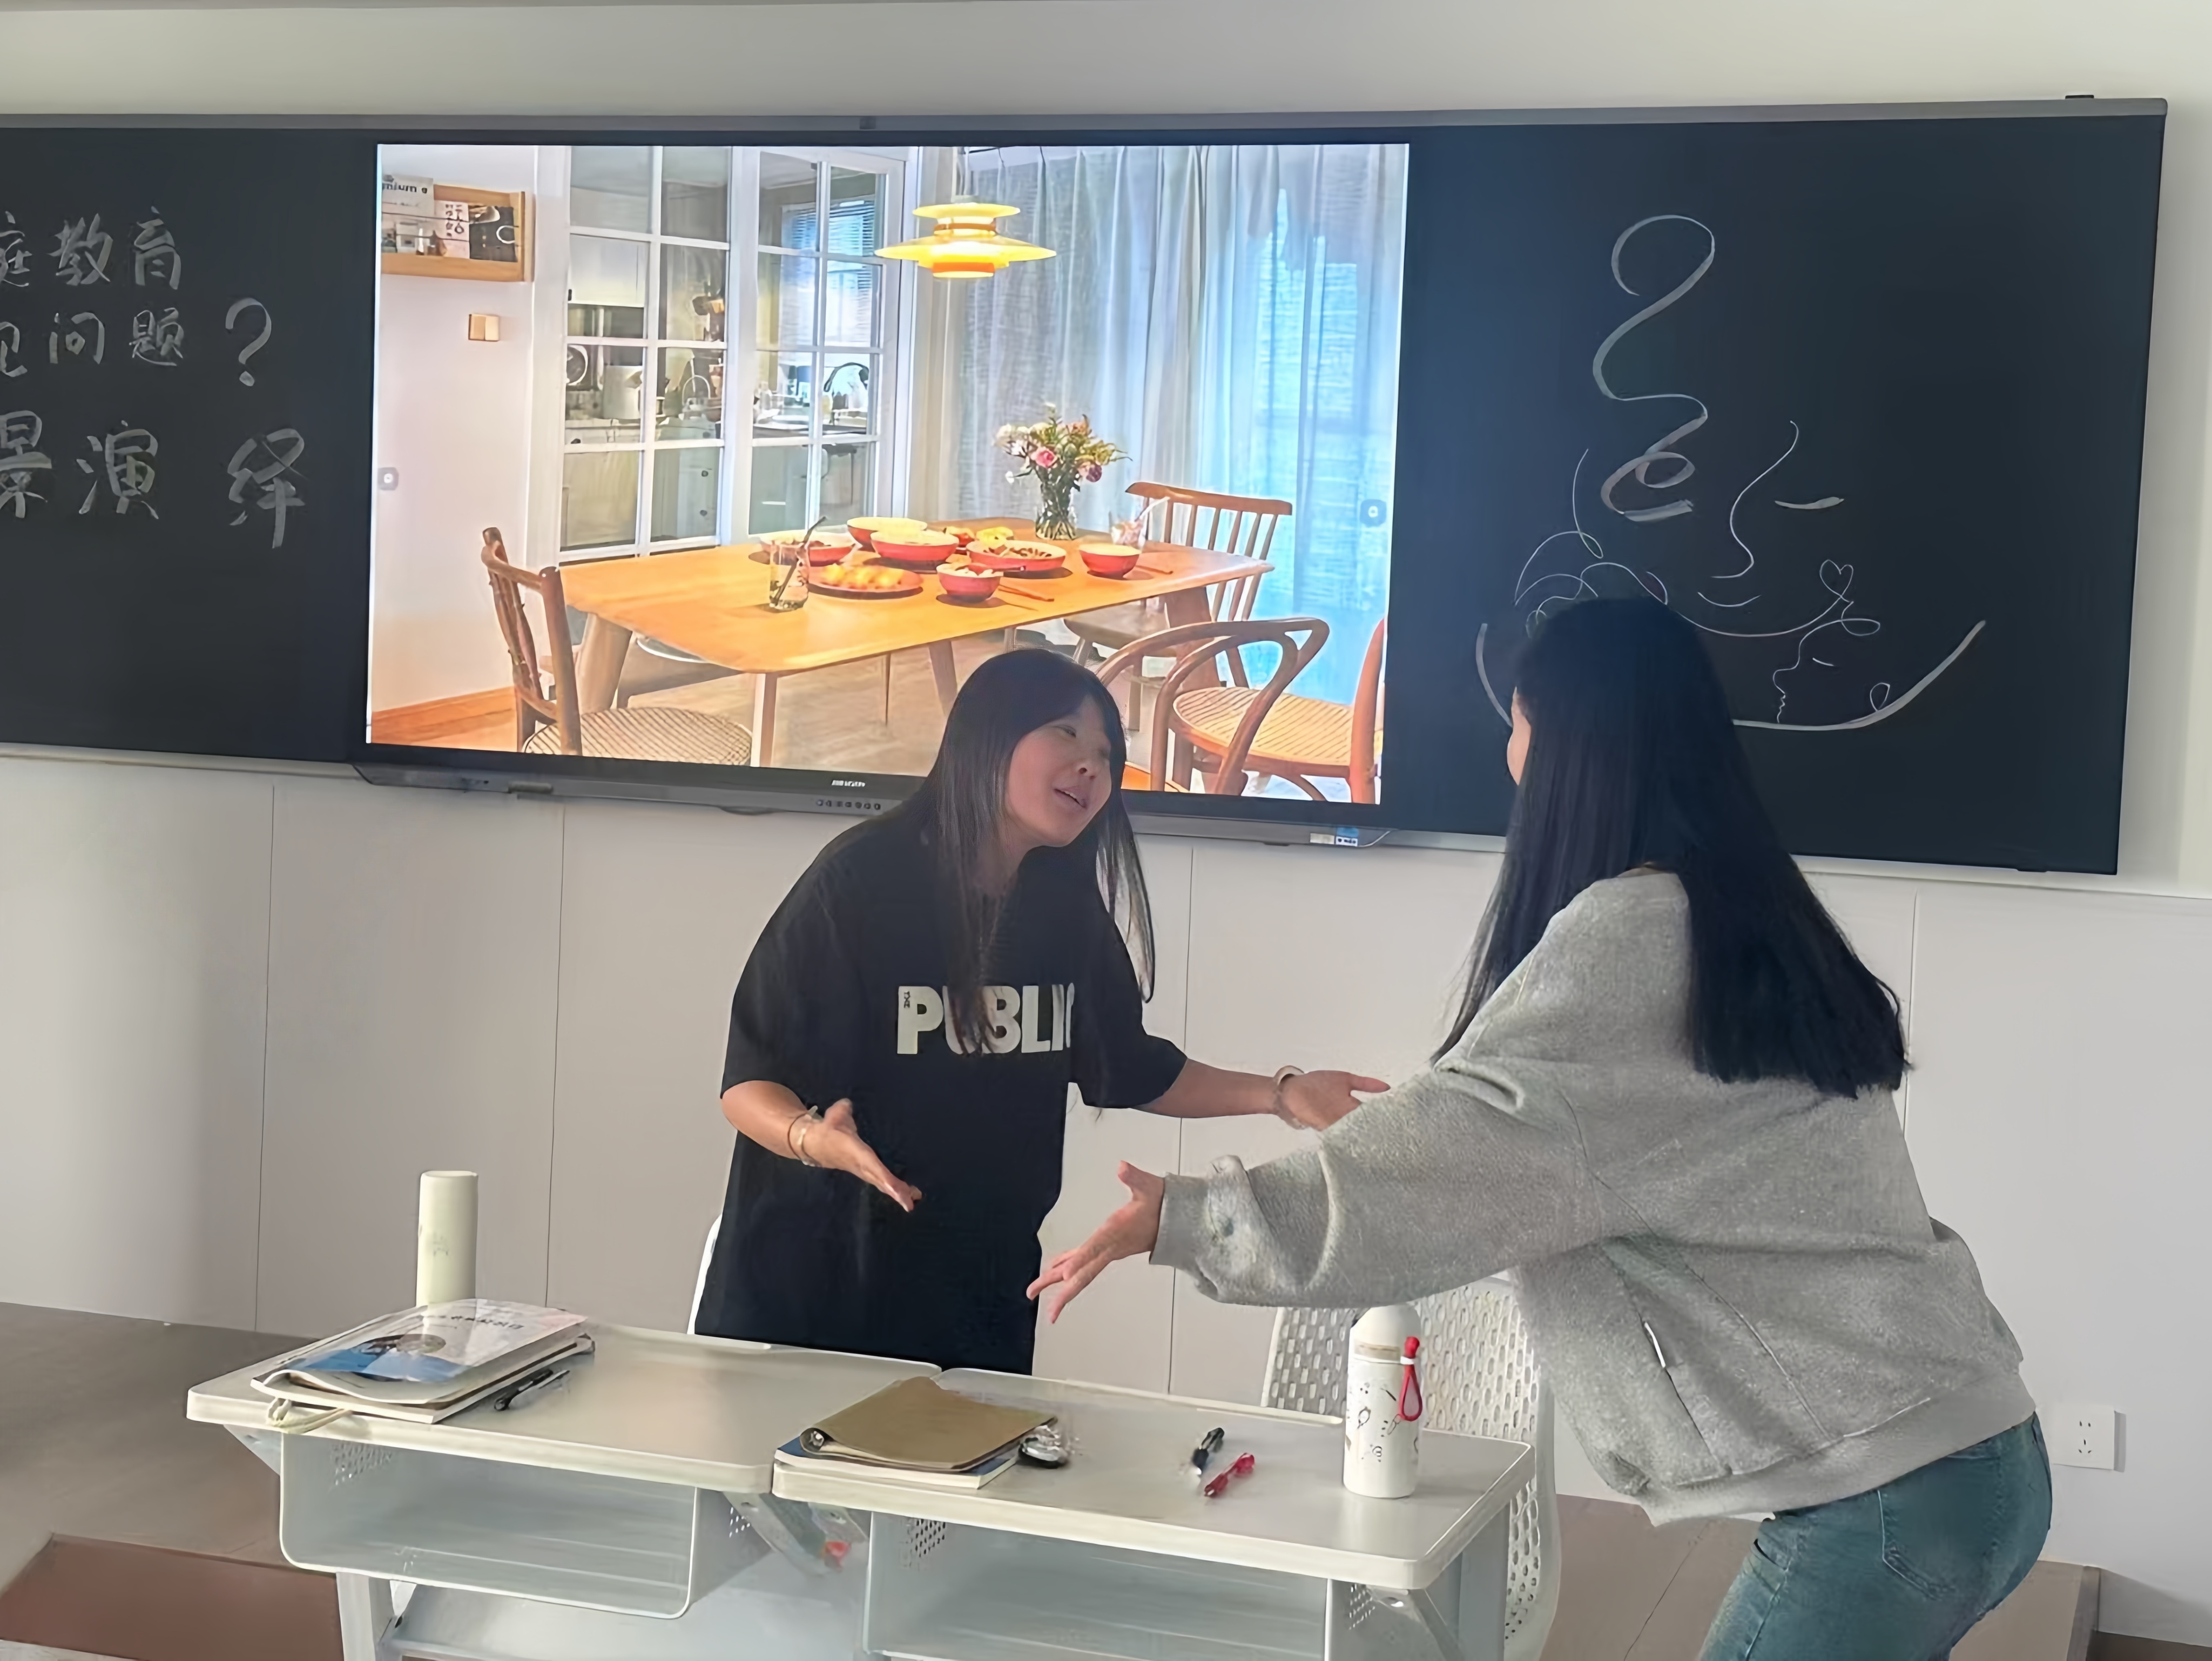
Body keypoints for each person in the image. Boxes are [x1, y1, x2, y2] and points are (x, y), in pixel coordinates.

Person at [1031, 599, 2049, 1659]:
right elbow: (1532, 1144)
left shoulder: (1628, 939)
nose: (1509, 756)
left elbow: (1439, 1176)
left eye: (1517, 726)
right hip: (1969, 1445)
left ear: (1573, 748)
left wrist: (1192, 1219)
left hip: (1886, 1496)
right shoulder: (1741, 908)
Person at [695, 647, 1385, 1375]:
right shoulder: (861, 880)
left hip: (979, 1297)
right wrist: (814, 1139)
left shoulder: (1064, 905)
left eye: (1107, 753)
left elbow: (1131, 1068)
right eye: (1066, 734)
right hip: (814, 1294)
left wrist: (1281, 1094)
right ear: (987, 737)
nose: (1092, 766)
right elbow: (749, 1085)